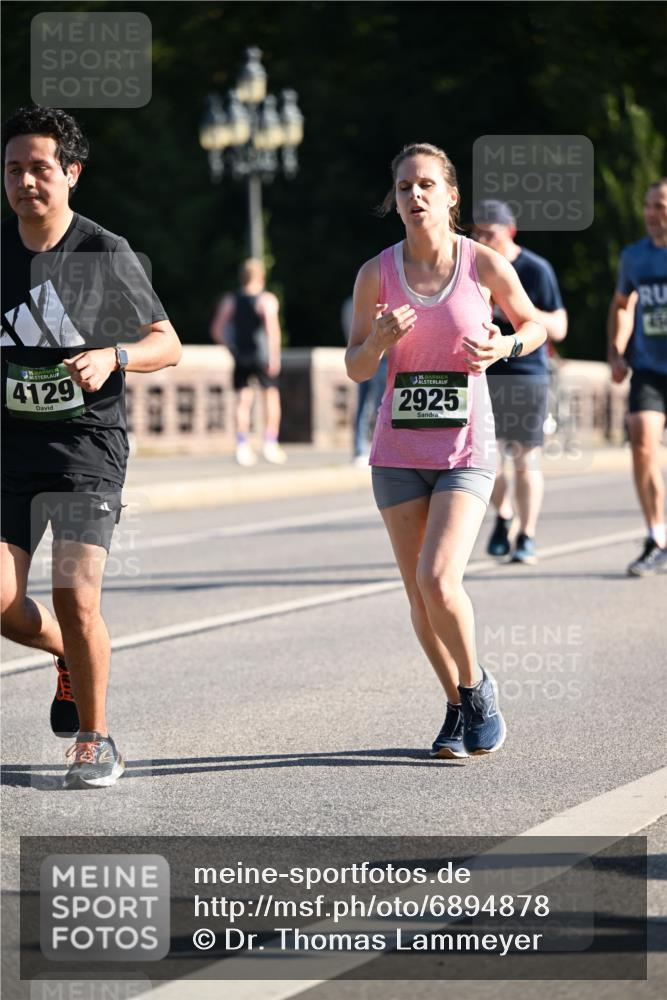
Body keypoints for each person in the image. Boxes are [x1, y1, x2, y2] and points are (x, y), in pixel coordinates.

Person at [345, 143, 546, 759]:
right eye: (404, 187)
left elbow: (534, 323)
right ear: (395, 200)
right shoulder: (375, 273)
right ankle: (457, 705)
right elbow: (355, 367)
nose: (416, 196)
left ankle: (478, 687)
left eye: (427, 185)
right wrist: (377, 342)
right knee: (416, 595)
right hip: (397, 448)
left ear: (451, 196)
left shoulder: (481, 263)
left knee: (439, 578)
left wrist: (506, 347)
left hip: (464, 448)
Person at [1, 105, 182, 788]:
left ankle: (94, 738)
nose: (26, 181)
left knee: (76, 595)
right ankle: (66, 657)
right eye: (13, 169)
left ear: (71, 174)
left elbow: (168, 343)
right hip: (8, 452)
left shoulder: (106, 252)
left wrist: (115, 356)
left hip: (85, 450)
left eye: (40, 168)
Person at [471, 200, 567, 565]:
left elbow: (559, 327)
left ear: (510, 231)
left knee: (526, 459)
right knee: (486, 460)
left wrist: (518, 310)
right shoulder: (472, 268)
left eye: (489, 233)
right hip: (483, 372)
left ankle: (526, 535)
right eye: (477, 232)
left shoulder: (535, 268)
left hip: (528, 374)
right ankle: (504, 515)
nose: (482, 238)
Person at [607, 179, 667, 576]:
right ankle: (657, 537)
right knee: (641, 438)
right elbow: (622, 305)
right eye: (648, 205)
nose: (651, 213)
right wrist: (616, 349)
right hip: (648, 368)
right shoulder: (634, 257)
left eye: (660, 205)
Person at [211, 258, 286, 466]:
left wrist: (231, 347)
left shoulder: (231, 300)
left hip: (241, 355)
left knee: (242, 400)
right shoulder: (266, 300)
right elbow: (272, 329)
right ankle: (270, 443)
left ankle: (242, 445)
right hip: (262, 356)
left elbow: (217, 329)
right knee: (270, 398)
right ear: (261, 276)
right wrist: (274, 356)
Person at [341, 294, 388, 465]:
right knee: (380, 406)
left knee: (362, 405)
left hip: (360, 356)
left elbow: (351, 333)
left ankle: (359, 448)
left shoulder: (349, 304)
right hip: (381, 359)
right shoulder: (382, 302)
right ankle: (377, 447)